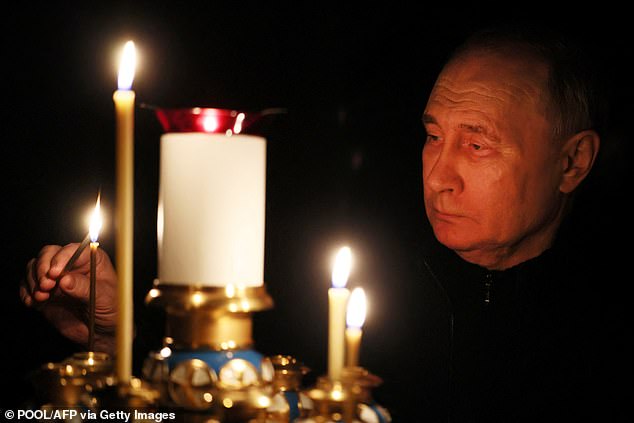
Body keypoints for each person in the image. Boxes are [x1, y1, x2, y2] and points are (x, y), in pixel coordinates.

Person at [20, 25, 628, 421]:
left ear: (572, 162)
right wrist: (113, 337)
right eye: (433, 136)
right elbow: (199, 406)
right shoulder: (332, 285)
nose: (439, 175)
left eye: (478, 146)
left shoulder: (603, 329)